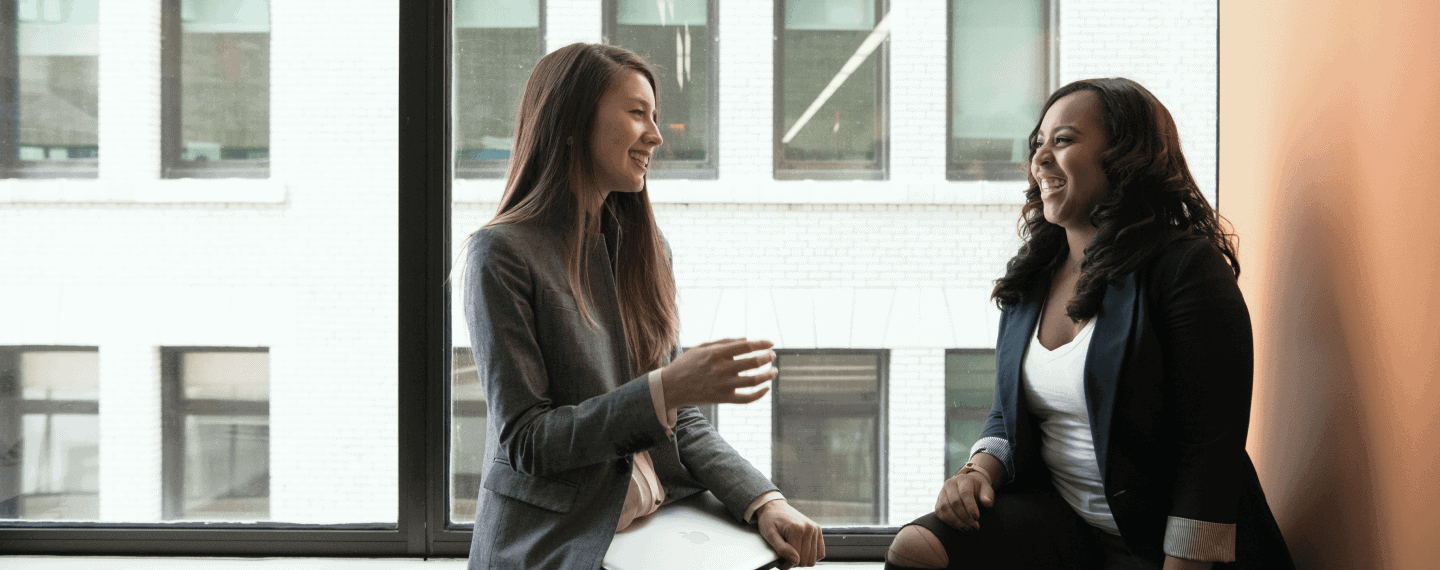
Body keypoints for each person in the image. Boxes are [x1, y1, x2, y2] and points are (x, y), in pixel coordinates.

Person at [885, 78, 1295, 570]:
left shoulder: (1185, 269)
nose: (1039, 159)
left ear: (1126, 156)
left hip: (1169, 543)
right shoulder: (1033, 276)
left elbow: (1208, 453)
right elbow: (1007, 415)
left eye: (1063, 140)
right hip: (1068, 527)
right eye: (1038, 143)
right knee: (916, 551)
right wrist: (979, 470)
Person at [461, 43, 824, 570]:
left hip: (656, 529)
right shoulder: (501, 254)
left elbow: (680, 420)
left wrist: (764, 500)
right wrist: (668, 387)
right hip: (556, 539)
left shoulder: (643, 249)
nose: (655, 135)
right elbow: (527, 441)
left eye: (655, 117)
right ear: (573, 119)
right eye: (637, 114)